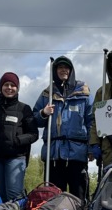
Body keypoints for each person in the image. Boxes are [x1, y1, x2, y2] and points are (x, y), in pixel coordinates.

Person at [33, 56, 94, 200]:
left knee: (78, 195)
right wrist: (43, 113)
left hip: (77, 153)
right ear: (55, 71)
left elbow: (91, 121)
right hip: (54, 154)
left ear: (71, 70)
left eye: (66, 67)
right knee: (54, 197)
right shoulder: (47, 93)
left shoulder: (84, 92)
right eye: (60, 67)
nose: (63, 70)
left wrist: (92, 148)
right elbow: (34, 119)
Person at [0, 71, 38, 203]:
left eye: (12, 85)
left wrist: (17, 141)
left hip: (16, 157)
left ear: (17, 88)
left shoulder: (24, 109)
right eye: (6, 84)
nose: (9, 88)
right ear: (1, 87)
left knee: (14, 195)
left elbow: (34, 134)